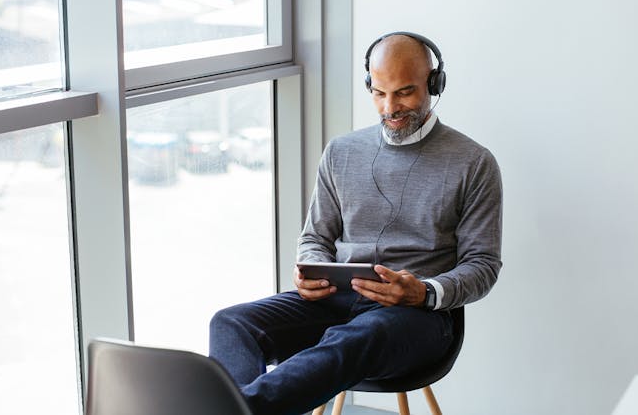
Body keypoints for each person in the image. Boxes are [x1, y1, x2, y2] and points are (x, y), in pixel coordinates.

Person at [210, 32, 503, 415]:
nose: (390, 107)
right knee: (231, 324)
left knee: (358, 337)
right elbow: (316, 236)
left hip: (416, 316)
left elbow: (483, 266)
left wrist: (425, 292)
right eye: (379, 93)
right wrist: (310, 270)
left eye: (404, 92)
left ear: (434, 83)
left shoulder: (474, 163)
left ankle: (239, 409)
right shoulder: (341, 152)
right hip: (338, 299)